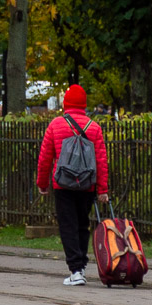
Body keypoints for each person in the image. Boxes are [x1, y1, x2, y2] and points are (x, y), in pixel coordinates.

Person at [36, 84, 110, 286]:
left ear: (65, 103)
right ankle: (81, 266)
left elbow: (45, 158)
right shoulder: (94, 127)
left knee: (67, 226)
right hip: (86, 185)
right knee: (82, 225)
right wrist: (102, 189)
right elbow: (101, 161)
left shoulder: (56, 125)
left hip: (63, 184)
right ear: (84, 104)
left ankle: (75, 270)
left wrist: (42, 183)